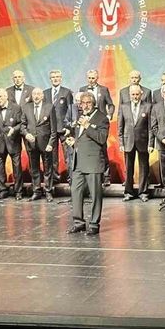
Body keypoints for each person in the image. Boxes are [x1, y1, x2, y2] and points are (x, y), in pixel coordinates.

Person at [65, 92, 109, 236]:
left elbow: (101, 139)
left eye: (88, 103)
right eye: (83, 103)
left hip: (93, 163)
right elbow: (82, 138)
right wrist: (74, 143)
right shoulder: (80, 117)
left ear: (93, 103)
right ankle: (79, 223)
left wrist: (88, 125)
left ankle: (94, 224)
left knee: (95, 195)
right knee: (75, 192)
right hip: (78, 162)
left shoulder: (102, 118)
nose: (85, 106)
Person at [118, 84, 153, 202]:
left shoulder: (148, 106)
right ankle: (128, 192)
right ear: (129, 95)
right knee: (128, 169)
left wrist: (151, 144)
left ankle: (143, 192)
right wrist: (121, 143)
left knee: (144, 168)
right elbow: (120, 126)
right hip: (128, 141)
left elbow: (151, 127)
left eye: (137, 94)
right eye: (133, 94)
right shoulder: (124, 107)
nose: (135, 96)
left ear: (141, 94)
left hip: (143, 142)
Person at [79, 70, 115, 186]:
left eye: (93, 78)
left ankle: (106, 176)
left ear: (97, 78)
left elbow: (111, 104)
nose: (91, 80)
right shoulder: (82, 89)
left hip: (100, 121)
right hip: (86, 121)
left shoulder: (103, 89)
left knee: (102, 149)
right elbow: (79, 106)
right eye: (89, 78)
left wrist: (109, 115)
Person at [22, 88, 57, 201]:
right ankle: (36, 191)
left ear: (42, 96)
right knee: (34, 169)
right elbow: (22, 125)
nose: (36, 96)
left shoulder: (49, 107)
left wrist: (51, 143)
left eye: (38, 94)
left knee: (48, 169)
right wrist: (26, 134)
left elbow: (53, 129)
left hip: (46, 144)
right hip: (32, 144)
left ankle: (48, 191)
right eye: (34, 94)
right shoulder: (26, 107)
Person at [0, 89, 23, 199]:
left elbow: (21, 123)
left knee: (16, 168)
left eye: (0, 96)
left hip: (13, 142)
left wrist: (14, 129)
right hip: (0, 143)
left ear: (6, 96)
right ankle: (2, 190)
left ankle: (18, 191)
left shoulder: (16, 108)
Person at [44, 69, 74, 183]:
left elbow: (71, 111)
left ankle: (71, 178)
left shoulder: (67, 92)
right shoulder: (45, 93)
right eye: (53, 77)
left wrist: (69, 127)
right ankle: (55, 178)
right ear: (50, 79)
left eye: (57, 77)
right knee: (52, 156)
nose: (55, 79)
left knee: (68, 155)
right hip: (50, 129)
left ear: (61, 78)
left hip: (64, 129)